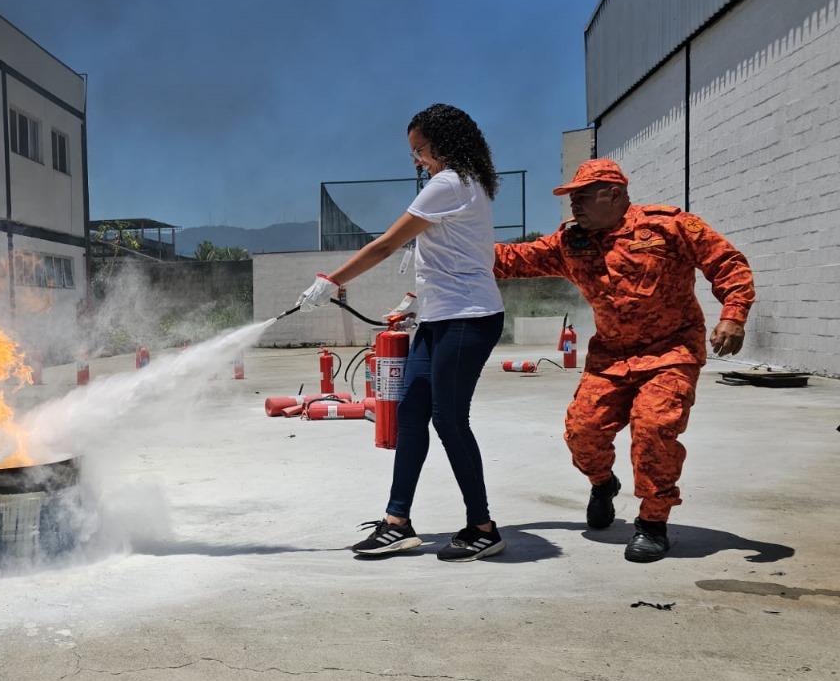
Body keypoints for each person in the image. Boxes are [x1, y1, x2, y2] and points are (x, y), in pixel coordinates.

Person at [494, 158, 756, 562]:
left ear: (614, 194)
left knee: (654, 429)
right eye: (571, 198)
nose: (574, 205)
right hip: (610, 357)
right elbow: (510, 259)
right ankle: (603, 483)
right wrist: (449, 247)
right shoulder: (571, 243)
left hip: (671, 352)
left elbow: (727, 263)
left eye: (583, 196)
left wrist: (733, 315)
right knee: (582, 433)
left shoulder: (669, 226)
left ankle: (653, 523)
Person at [297, 104, 507, 562]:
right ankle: (398, 524)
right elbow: (452, 255)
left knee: (450, 420)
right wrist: (415, 302)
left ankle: (483, 527)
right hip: (439, 318)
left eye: (421, 150)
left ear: (445, 146)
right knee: (411, 412)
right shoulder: (466, 184)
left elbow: (386, 243)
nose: (417, 159)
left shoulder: (449, 183)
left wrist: (332, 280)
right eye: (414, 152)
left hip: (467, 319)